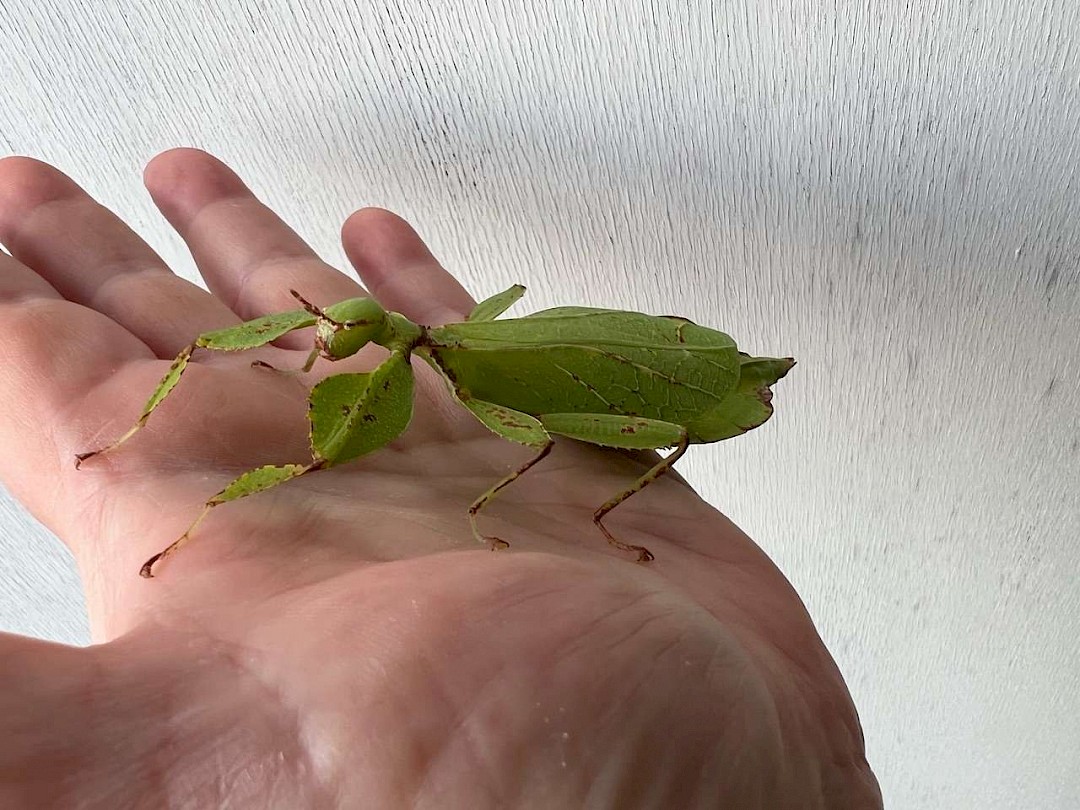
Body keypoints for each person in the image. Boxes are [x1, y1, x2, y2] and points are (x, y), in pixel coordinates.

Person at [0, 149, 882, 808]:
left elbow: (532, 443)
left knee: (559, 436)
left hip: (651, 378)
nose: (329, 347)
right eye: (324, 338)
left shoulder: (437, 360)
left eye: (332, 336)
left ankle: (616, 510)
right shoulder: (409, 354)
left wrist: (533, 514)